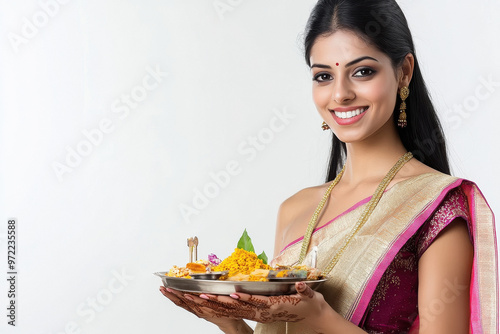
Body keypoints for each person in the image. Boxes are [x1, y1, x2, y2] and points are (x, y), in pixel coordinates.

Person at [160, 0, 498, 333]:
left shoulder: (437, 205)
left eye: (362, 72)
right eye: (323, 75)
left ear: (404, 71)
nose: (340, 94)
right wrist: (231, 323)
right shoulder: (295, 209)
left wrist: (323, 318)